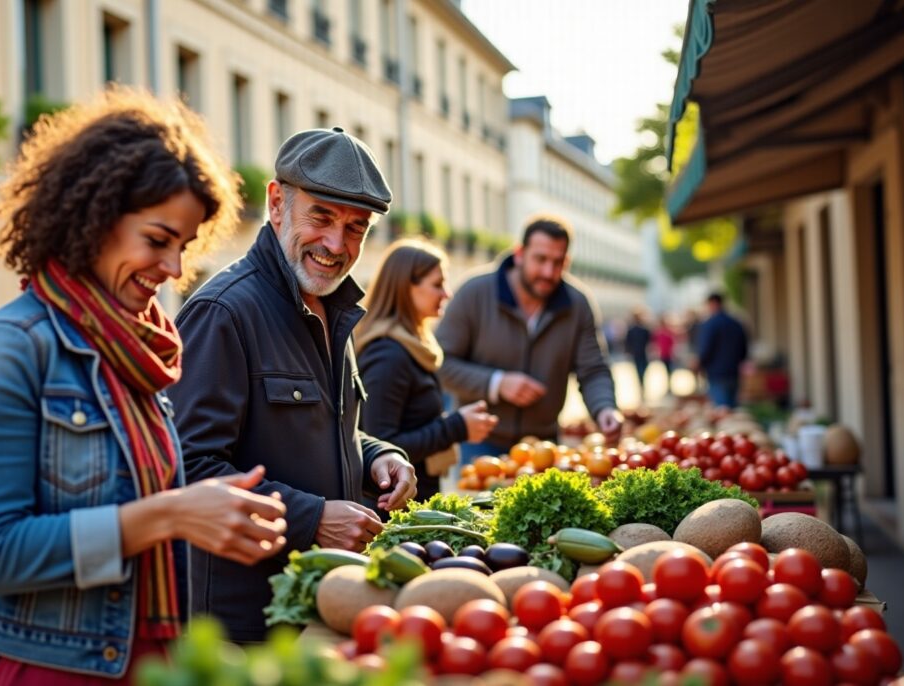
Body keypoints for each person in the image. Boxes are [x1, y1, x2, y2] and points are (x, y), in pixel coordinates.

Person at [0, 89, 288, 684]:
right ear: (92, 219)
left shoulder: (136, 349)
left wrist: (206, 508)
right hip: (44, 667)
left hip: (143, 655)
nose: (175, 269)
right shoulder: (9, 347)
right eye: (157, 240)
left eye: (183, 247)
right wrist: (172, 513)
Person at [169, 127, 417, 643]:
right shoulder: (224, 312)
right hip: (243, 623)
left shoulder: (332, 305)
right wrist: (310, 518)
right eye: (321, 217)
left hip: (318, 603)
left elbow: (323, 430)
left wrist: (378, 456)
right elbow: (187, 468)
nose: (336, 244)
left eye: (356, 228)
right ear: (277, 203)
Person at [436, 214, 621, 459]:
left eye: (558, 262)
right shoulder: (474, 292)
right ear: (520, 253)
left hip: (544, 444)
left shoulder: (578, 304)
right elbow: (440, 363)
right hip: (479, 441)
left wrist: (604, 408)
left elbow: (593, 369)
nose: (548, 271)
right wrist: (497, 383)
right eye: (541, 259)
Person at [355, 240, 498, 502]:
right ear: (405, 288)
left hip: (414, 499)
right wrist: (456, 427)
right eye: (437, 284)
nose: (447, 293)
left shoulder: (411, 346)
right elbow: (381, 444)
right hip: (393, 508)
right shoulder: (388, 354)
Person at [697, 293, 749, 408]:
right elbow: (744, 349)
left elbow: (706, 349)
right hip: (733, 371)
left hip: (716, 373)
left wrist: (700, 364)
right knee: (732, 409)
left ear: (712, 304)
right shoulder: (736, 323)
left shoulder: (710, 324)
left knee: (722, 411)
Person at [625, 310, 651, 397]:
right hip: (638, 353)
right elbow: (628, 342)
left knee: (642, 370)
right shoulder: (633, 330)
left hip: (642, 353)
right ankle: (641, 386)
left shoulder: (644, 330)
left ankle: (642, 385)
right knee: (639, 370)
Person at [654, 315, 677, 396]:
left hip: (668, 355)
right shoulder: (660, 333)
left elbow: (672, 344)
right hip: (664, 355)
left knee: (669, 371)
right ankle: (668, 386)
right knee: (666, 371)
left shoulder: (667, 333)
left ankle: (669, 386)